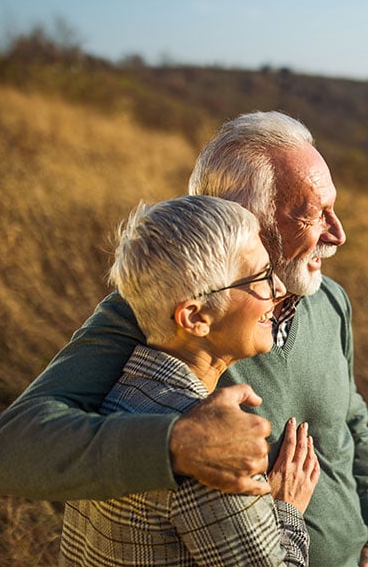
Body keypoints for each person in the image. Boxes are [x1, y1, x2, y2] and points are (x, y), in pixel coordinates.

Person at [0, 111, 368, 567]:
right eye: (313, 214)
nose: (338, 234)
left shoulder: (330, 299)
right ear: (240, 218)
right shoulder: (153, 316)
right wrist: (178, 443)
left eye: (334, 209)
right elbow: (3, 452)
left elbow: (351, 419)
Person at [61, 195, 318, 566]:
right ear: (195, 317)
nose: (278, 290)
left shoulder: (110, 395)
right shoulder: (213, 453)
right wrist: (287, 509)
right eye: (261, 276)